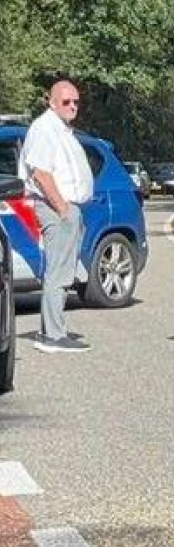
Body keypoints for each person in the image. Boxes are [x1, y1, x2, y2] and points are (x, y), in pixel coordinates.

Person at [18, 80, 94, 354]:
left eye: (76, 101)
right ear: (51, 102)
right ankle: (53, 335)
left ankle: (51, 329)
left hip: (66, 206)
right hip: (54, 206)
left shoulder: (61, 129)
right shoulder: (44, 129)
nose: (73, 106)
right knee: (58, 272)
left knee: (64, 271)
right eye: (66, 101)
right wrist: (62, 207)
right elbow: (40, 172)